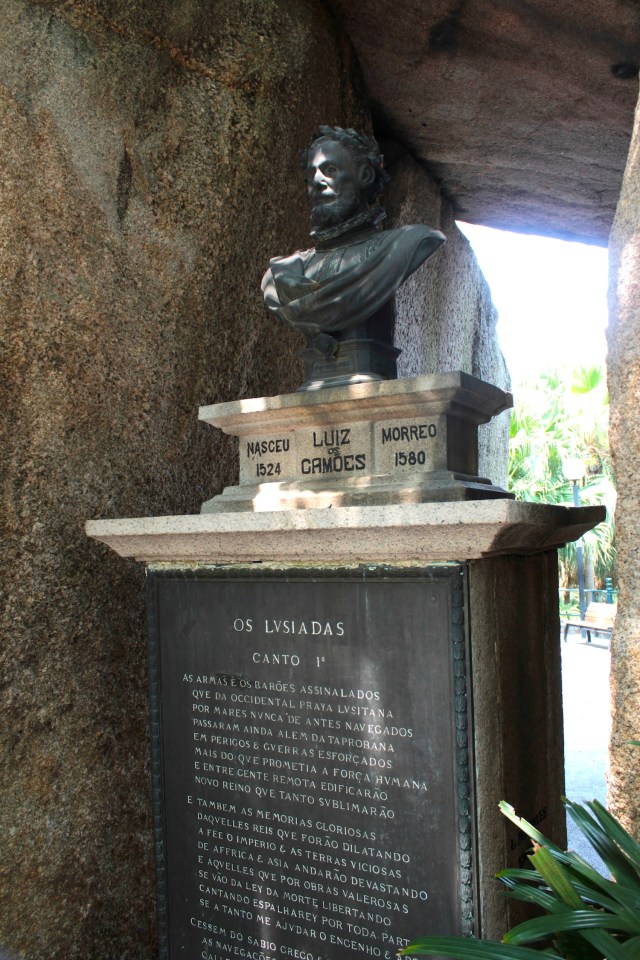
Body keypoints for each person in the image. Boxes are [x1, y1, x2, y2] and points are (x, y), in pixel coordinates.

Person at [262, 126, 446, 388]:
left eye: (330, 170)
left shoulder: (404, 243)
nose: (316, 181)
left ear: (364, 175)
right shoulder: (282, 273)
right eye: (310, 174)